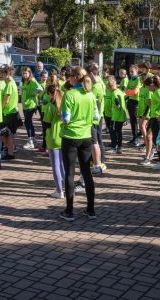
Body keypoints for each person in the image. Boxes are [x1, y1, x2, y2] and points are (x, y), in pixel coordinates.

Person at [59, 66, 98, 222]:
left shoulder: (69, 95)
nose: (68, 78)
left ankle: (69, 211)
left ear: (74, 77)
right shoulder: (90, 94)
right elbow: (96, 116)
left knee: (69, 173)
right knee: (86, 173)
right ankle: (91, 210)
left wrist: (61, 117)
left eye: (69, 75)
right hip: (86, 137)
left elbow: (66, 119)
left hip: (70, 136)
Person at [43, 84, 65, 198]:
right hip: (63, 137)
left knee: (55, 165)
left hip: (53, 138)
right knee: (62, 164)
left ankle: (59, 190)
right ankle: (67, 188)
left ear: (50, 94)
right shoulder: (64, 104)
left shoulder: (50, 107)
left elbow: (46, 123)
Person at [87, 62, 107, 174]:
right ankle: (99, 161)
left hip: (95, 118)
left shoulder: (95, 86)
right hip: (99, 116)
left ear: (90, 74)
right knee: (98, 139)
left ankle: (99, 163)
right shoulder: (100, 82)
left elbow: (93, 102)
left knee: (95, 141)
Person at [20, 67, 42, 150]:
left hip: (31, 105)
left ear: (30, 73)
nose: (24, 75)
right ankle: (32, 138)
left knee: (27, 122)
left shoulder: (32, 81)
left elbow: (40, 89)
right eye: (23, 73)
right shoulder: (24, 81)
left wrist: (34, 93)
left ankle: (31, 142)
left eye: (26, 73)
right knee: (28, 123)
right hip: (25, 105)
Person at [0, 65, 19, 160]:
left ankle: (9, 151)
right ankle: (9, 152)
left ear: (7, 74)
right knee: (7, 134)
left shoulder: (10, 84)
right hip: (11, 112)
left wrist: (0, 109)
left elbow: (6, 100)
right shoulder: (12, 83)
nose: (1, 76)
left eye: (2, 74)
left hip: (8, 113)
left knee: (3, 133)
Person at [125, 65, 141, 145]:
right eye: (130, 71)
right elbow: (126, 90)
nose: (130, 73)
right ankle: (134, 138)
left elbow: (135, 91)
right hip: (130, 101)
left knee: (135, 121)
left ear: (136, 70)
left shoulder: (138, 79)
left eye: (132, 71)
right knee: (131, 120)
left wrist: (129, 91)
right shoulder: (131, 79)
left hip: (136, 102)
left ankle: (137, 139)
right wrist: (129, 91)